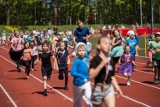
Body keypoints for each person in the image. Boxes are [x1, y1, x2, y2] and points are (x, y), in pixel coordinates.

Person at [89, 37, 123, 107]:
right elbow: (91, 76)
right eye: (105, 43)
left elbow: (112, 75)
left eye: (109, 44)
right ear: (99, 46)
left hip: (108, 88)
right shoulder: (95, 60)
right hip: (98, 89)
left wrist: (117, 87)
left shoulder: (111, 60)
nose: (108, 45)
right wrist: (101, 64)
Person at [71, 42, 92, 107]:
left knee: (89, 97)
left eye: (83, 50)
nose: (81, 52)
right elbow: (72, 72)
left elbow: (88, 70)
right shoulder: (76, 61)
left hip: (86, 82)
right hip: (77, 84)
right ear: (77, 51)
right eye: (79, 50)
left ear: (85, 51)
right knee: (77, 101)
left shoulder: (86, 60)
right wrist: (82, 76)